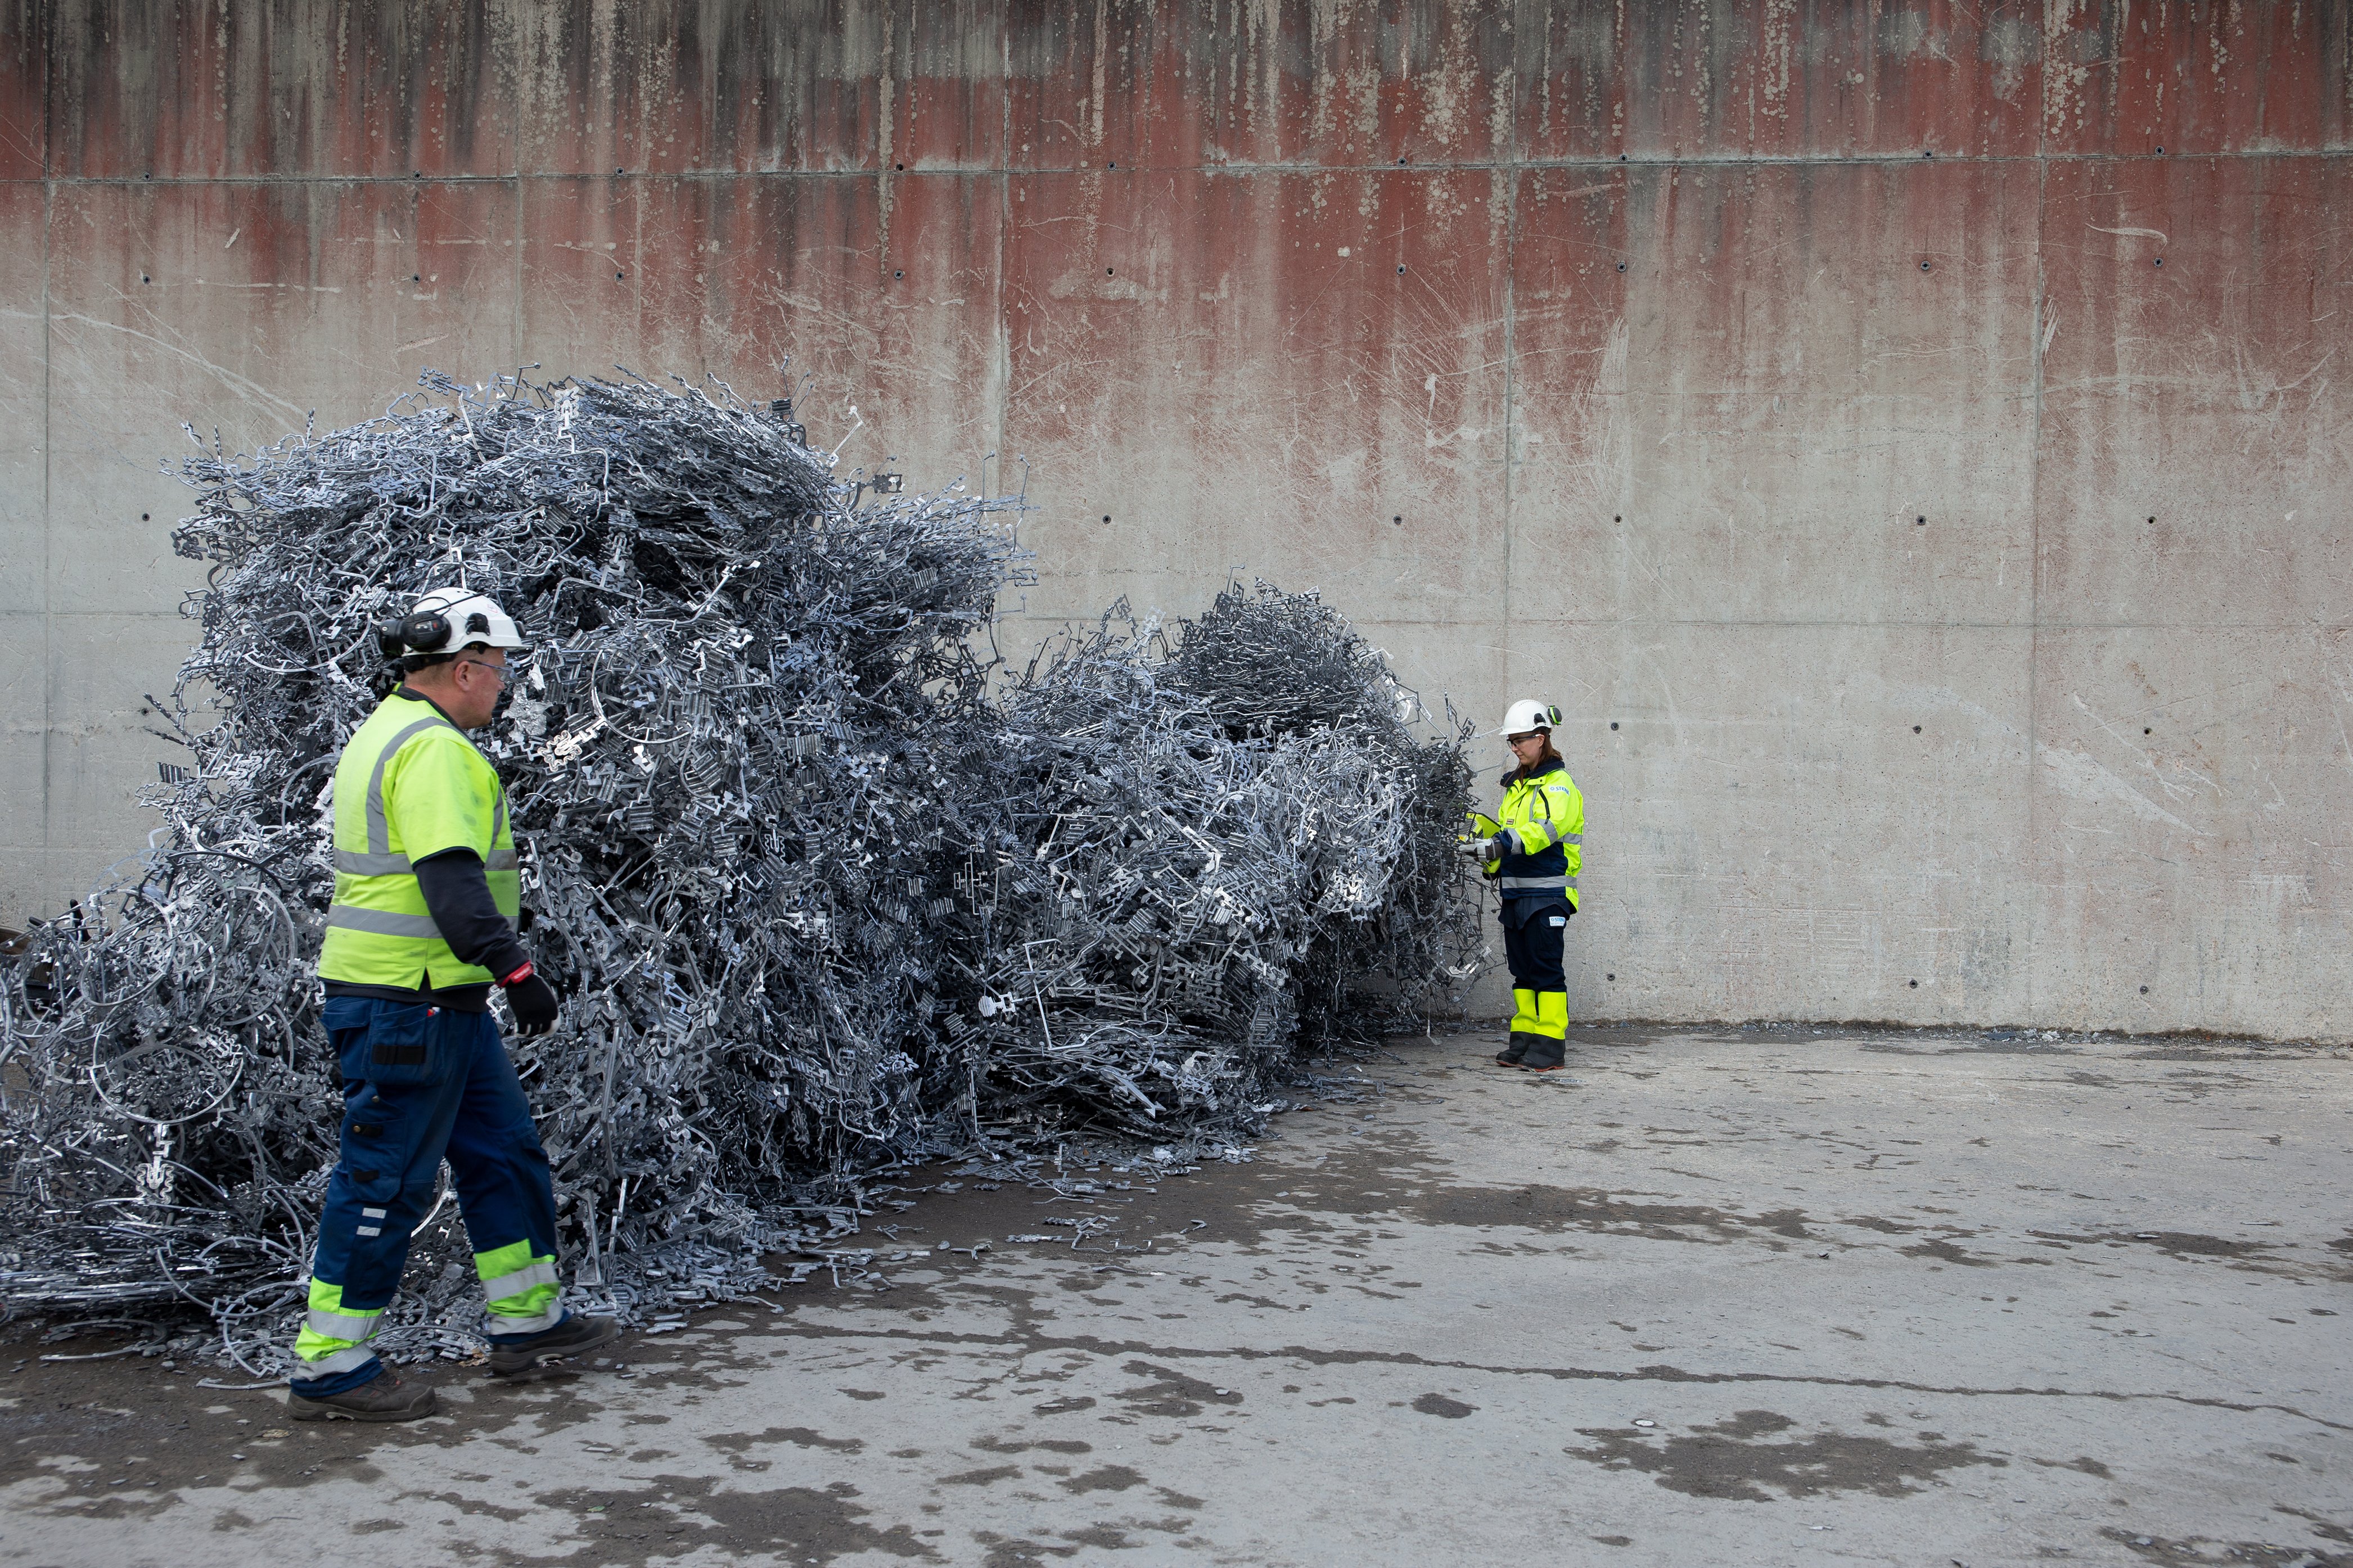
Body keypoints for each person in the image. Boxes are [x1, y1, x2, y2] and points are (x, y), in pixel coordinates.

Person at [287, 588, 617, 1421]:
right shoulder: (433, 751)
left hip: (441, 1001)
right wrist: (517, 970)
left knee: (502, 1153)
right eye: (499, 670)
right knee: (385, 1177)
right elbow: (449, 880)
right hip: (411, 1002)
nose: (504, 686)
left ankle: (527, 1321)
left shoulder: (389, 731)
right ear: (466, 668)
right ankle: (333, 1364)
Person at [1462, 699, 1584, 1071]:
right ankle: (1525, 1039)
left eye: (1520, 739)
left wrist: (1502, 842)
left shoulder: (1559, 785)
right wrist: (1487, 854)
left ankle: (1550, 1046)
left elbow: (1546, 830)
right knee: (1524, 971)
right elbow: (1508, 836)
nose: (1514, 747)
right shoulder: (1516, 787)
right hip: (1517, 894)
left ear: (1542, 737)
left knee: (1546, 970)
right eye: (1511, 741)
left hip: (1548, 896)